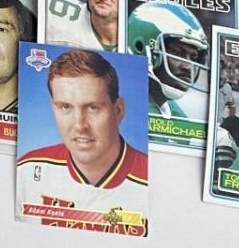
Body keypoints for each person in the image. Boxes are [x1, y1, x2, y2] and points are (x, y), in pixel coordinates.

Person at [15, 49, 150, 233]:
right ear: (53, 108)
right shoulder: (26, 171)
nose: (80, 125)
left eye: (92, 107)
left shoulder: (150, 182)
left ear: (118, 110)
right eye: (65, 107)